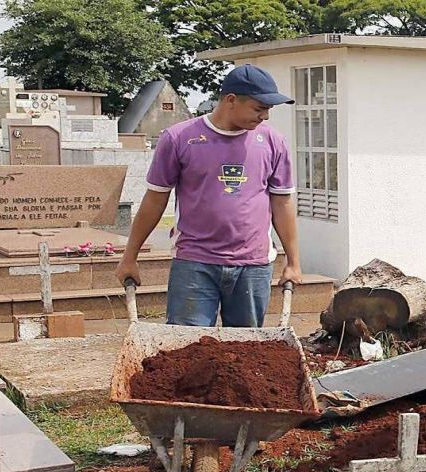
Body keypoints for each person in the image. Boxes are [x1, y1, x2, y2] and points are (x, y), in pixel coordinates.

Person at [115, 64, 302, 326]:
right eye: (259, 108)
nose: (265, 116)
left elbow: (282, 203)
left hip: (253, 265)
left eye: (268, 109)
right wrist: (130, 256)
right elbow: (155, 200)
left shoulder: (273, 142)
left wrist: (293, 261)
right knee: (188, 344)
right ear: (231, 100)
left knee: (246, 345)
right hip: (195, 262)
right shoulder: (179, 138)